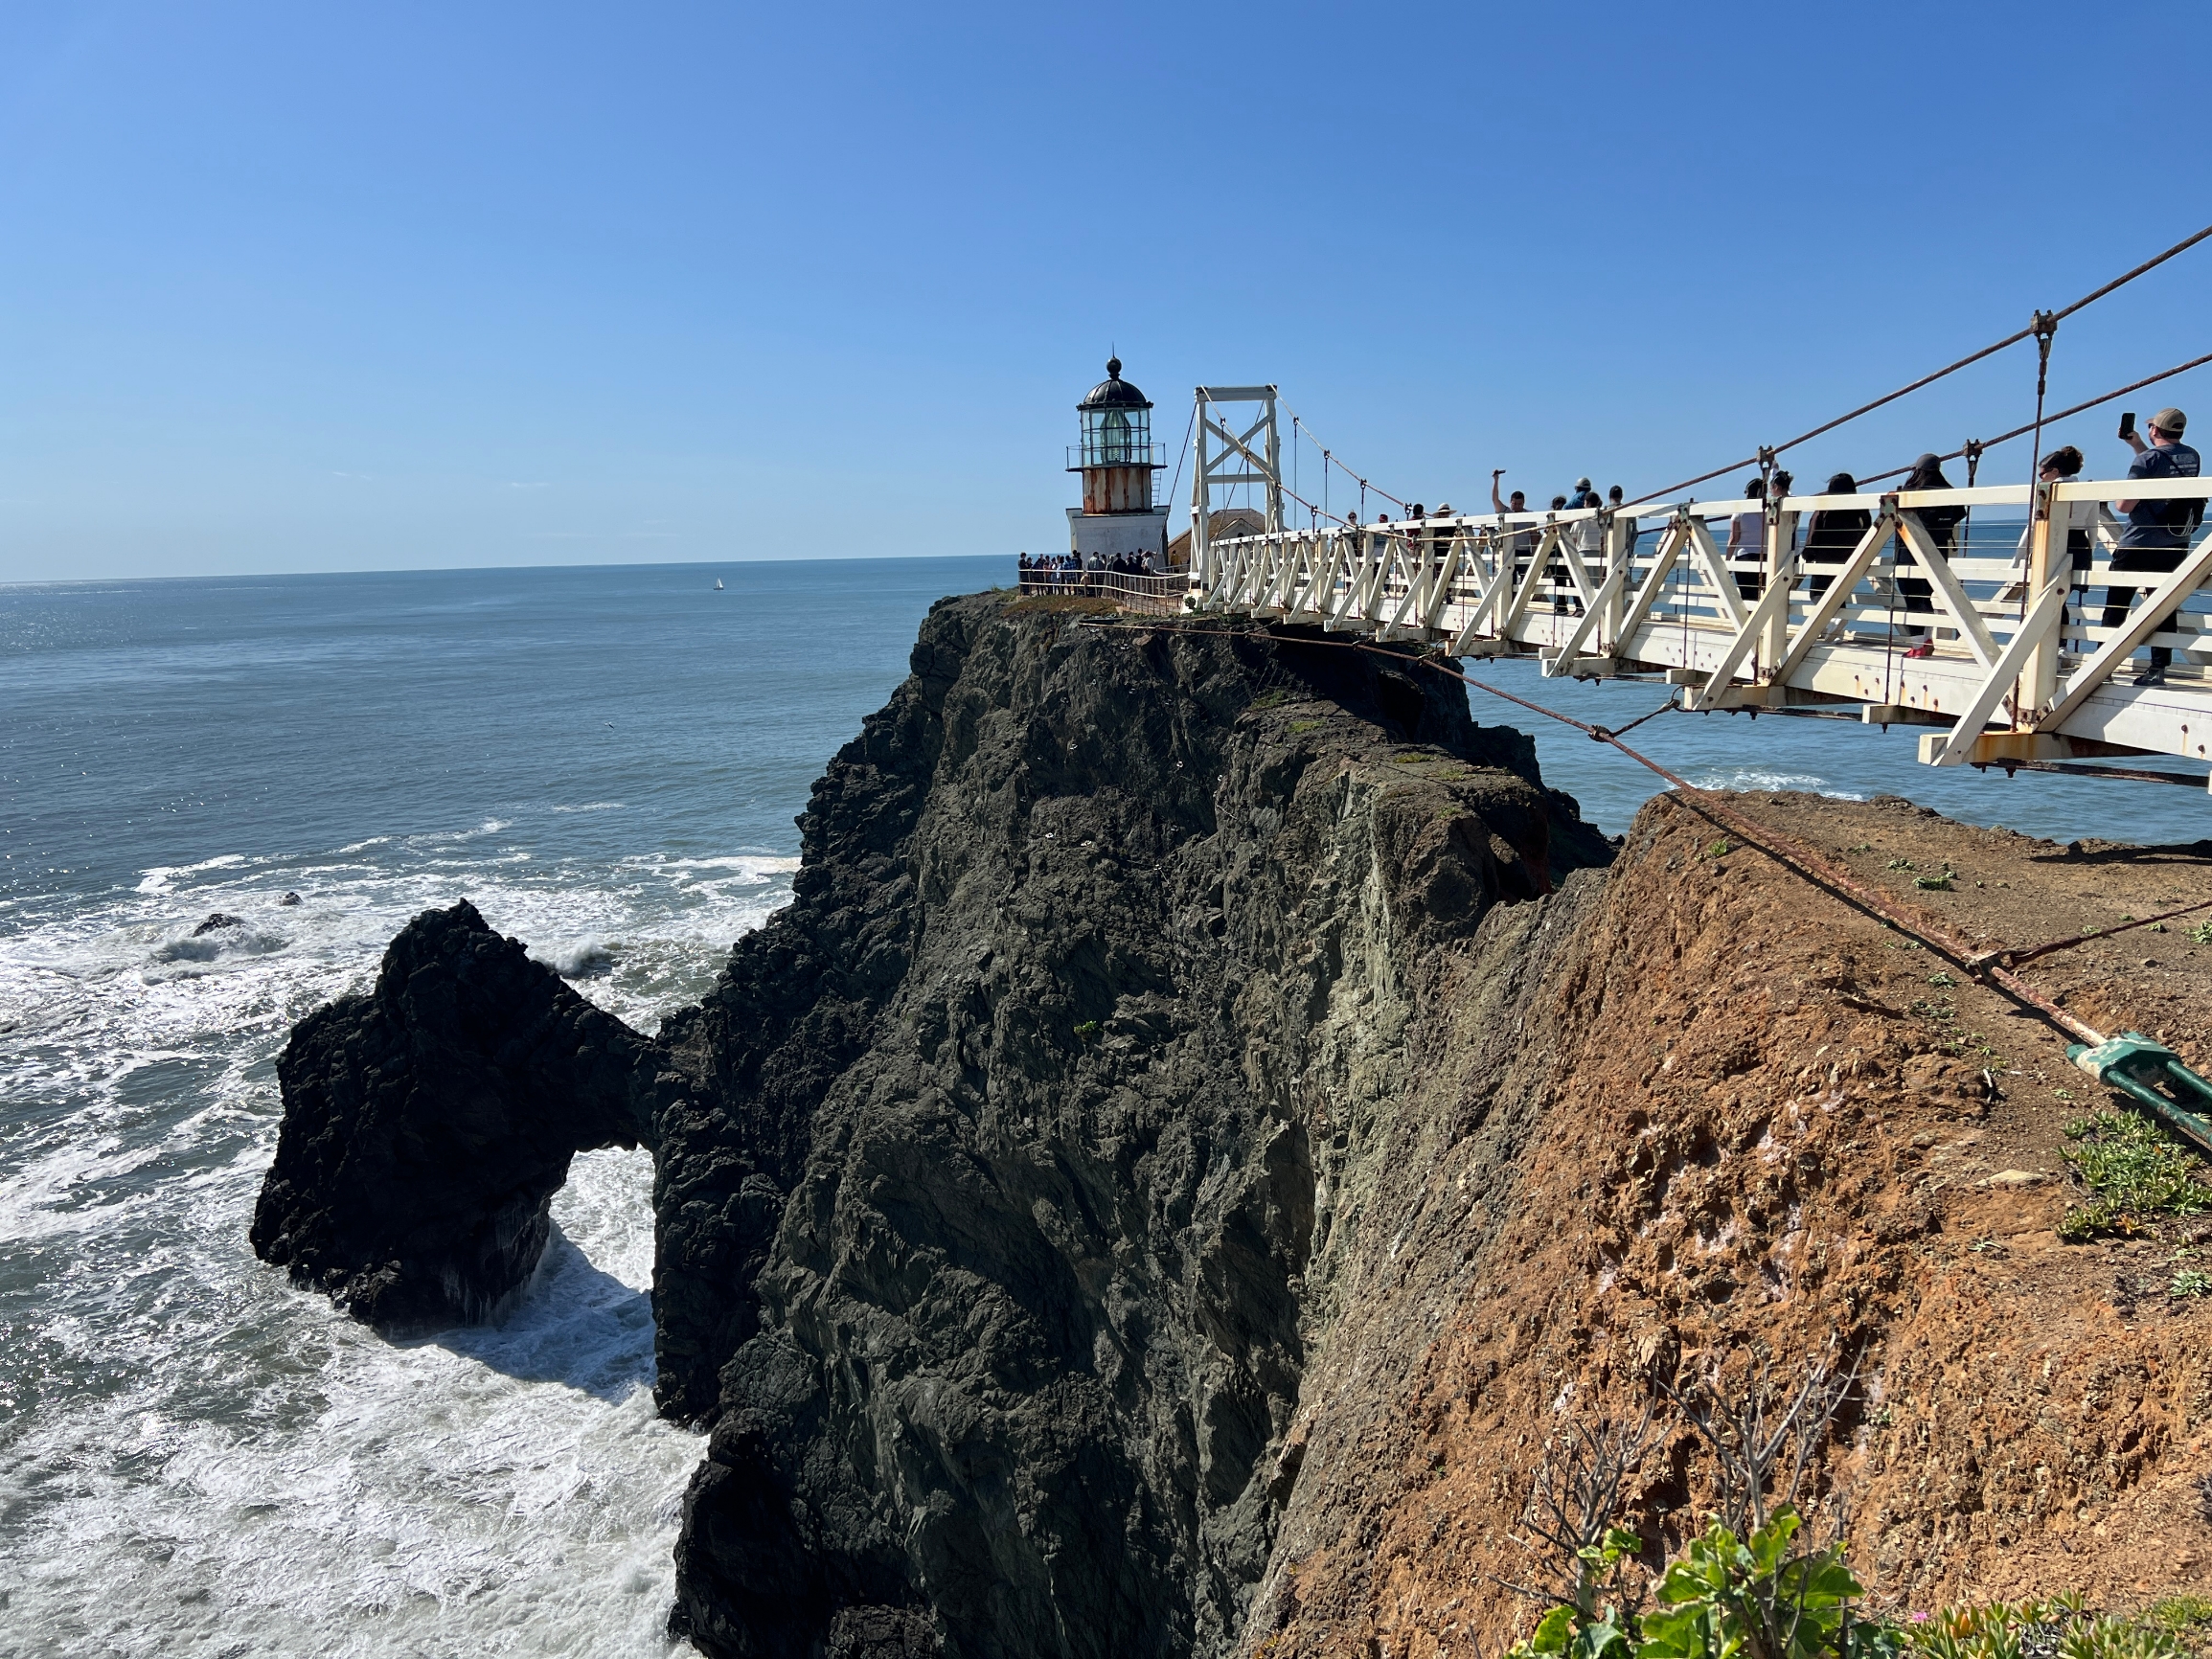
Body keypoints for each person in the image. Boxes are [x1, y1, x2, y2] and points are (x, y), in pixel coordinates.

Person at [2105, 407, 2202, 685]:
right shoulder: (2192, 455)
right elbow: (2161, 467)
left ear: (2155, 430)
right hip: (2175, 543)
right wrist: (2136, 445)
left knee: (2116, 607)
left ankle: (2103, 667)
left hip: (2139, 543)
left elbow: (2125, 505)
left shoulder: (2147, 460)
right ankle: (2158, 668)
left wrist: (2115, 499)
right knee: (2163, 607)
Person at [1896, 453, 1965, 657]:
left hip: (1910, 550)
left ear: (1917, 469)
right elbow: (1960, 512)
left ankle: (1918, 645)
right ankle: (1925, 641)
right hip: (1938, 550)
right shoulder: (1947, 490)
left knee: (1912, 598)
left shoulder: (1911, 491)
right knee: (1925, 597)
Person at [1799, 472, 1870, 602]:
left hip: (1825, 557)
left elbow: (1814, 531)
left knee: (1817, 594)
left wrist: (1809, 552)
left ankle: (1834, 619)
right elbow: (1867, 532)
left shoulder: (1824, 507)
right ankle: (1837, 617)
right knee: (1838, 593)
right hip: (1849, 558)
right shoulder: (1860, 508)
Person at [1493, 471, 1536, 595]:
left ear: (1524, 503)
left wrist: (1534, 553)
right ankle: (1510, 603)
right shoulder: (1506, 511)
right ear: (1511, 502)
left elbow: (1534, 535)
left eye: (1519, 504)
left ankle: (1520, 604)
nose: (1517, 506)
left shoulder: (1529, 515)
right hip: (1509, 551)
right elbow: (1495, 499)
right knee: (1509, 580)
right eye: (1514, 503)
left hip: (1524, 551)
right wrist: (1496, 480)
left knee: (1525, 580)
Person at [1724, 476, 1767, 600]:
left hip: (1745, 556)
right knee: (1762, 596)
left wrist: (1728, 562)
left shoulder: (1740, 512)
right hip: (1764, 556)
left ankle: (1749, 618)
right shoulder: (1768, 510)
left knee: (1747, 595)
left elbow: (1734, 538)